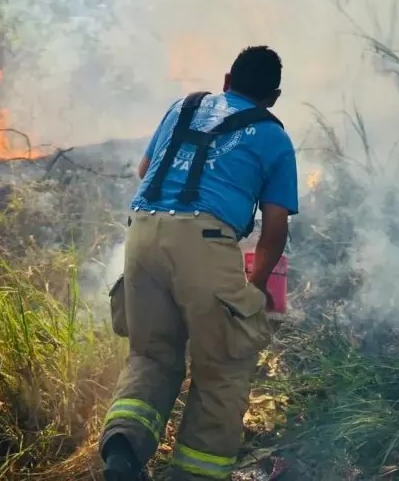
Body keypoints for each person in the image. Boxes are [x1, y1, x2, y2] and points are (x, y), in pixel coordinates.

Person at [100, 45, 299, 481]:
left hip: (142, 234)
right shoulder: (274, 136)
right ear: (274, 97)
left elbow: (145, 169)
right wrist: (258, 283)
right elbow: (276, 224)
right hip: (204, 241)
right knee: (224, 367)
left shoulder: (184, 106)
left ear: (227, 80)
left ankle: (123, 454)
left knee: (151, 355)